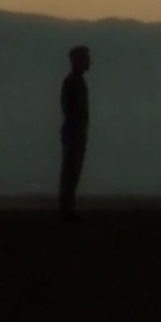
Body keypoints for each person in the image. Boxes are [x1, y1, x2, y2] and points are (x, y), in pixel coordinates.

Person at [58, 45, 92, 223]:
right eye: (85, 58)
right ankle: (66, 210)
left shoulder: (76, 82)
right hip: (74, 133)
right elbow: (70, 109)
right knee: (70, 172)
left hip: (76, 132)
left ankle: (67, 209)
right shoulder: (72, 82)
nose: (89, 62)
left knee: (72, 172)